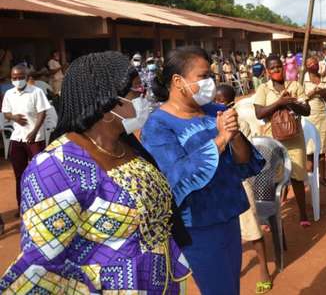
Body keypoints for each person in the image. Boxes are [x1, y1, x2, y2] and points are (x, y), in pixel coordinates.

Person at [0, 52, 192, 293]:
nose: (142, 98)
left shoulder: (128, 146)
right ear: (107, 102)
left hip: (162, 282)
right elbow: (41, 264)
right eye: (136, 91)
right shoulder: (55, 167)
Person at [142, 47, 264, 295]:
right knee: (218, 290)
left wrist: (235, 134)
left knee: (232, 285)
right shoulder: (159, 126)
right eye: (203, 76)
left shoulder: (212, 110)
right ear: (178, 81)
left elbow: (243, 162)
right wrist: (220, 139)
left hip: (228, 213)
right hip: (197, 225)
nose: (211, 83)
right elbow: (175, 177)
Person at [214, 84, 273, 294]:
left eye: (219, 101)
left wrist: (228, 132)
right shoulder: (213, 122)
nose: (216, 105)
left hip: (240, 182)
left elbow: (241, 156)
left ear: (230, 103)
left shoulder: (240, 123)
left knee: (252, 228)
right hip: (220, 185)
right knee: (226, 232)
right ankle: (231, 267)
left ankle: (264, 269)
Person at [254, 55, 312, 226]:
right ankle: (269, 216)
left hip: (294, 138)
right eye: (272, 68)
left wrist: (290, 102)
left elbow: (307, 110)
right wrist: (280, 102)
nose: (276, 70)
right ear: (267, 71)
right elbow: (259, 113)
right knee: (271, 178)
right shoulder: (263, 89)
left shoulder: (295, 85)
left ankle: (303, 214)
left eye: (279, 67)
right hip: (273, 140)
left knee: (297, 176)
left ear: (284, 67)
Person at [2, 65, 51, 210]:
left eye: (20, 77)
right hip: (17, 138)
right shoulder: (9, 94)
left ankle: (42, 206)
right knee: (19, 174)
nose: (18, 80)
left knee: (39, 173)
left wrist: (35, 131)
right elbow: (6, 113)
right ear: (11, 78)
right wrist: (14, 117)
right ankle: (22, 206)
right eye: (14, 78)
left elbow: (42, 112)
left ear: (26, 77)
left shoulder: (36, 92)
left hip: (35, 139)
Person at [304, 57, 326, 186]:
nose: (314, 65)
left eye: (315, 63)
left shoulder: (323, 80)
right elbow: (299, 99)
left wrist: (322, 93)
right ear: (306, 67)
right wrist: (311, 93)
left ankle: (322, 176)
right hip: (308, 117)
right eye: (310, 64)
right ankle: (309, 177)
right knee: (309, 150)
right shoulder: (302, 80)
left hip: (322, 116)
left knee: (322, 149)